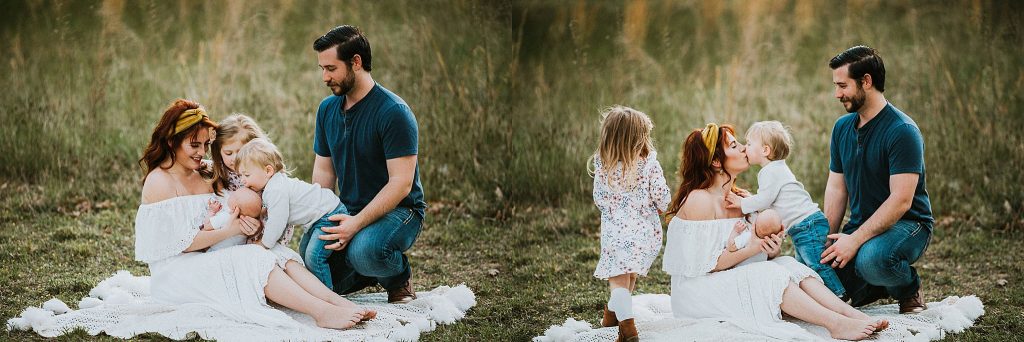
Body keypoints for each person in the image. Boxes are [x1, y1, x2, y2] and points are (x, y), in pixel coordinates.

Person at [135, 99, 371, 329]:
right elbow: (181, 244)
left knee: (278, 253)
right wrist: (234, 230)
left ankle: (336, 301)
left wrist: (253, 225)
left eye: (206, 145)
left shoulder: (205, 170)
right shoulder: (160, 181)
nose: (201, 152)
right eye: (194, 145)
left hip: (209, 256)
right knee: (252, 258)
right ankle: (322, 313)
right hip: (179, 273)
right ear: (171, 142)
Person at [661, 123, 886, 340]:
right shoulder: (699, 200)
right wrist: (754, 248)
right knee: (768, 274)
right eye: (733, 146)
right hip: (699, 292)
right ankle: (835, 325)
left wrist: (770, 250)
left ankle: (852, 314)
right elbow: (710, 264)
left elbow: (755, 255)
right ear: (717, 162)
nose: (743, 148)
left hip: (729, 278)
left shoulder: (745, 200)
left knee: (788, 265)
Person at [311, 25, 427, 303]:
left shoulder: (393, 112)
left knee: (365, 251)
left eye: (331, 68)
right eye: (322, 69)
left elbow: (401, 184)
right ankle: (368, 270)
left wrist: (355, 225)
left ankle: (397, 277)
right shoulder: (327, 109)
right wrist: (318, 218)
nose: (325, 77)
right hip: (348, 209)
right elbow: (324, 172)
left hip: (400, 211)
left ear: (356, 62)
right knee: (313, 263)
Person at [821, 45, 934, 313]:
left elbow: (901, 202)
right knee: (817, 276)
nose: (837, 94)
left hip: (908, 225)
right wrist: (825, 241)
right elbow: (837, 189)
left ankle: (908, 288)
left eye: (842, 86)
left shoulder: (902, 131)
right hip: (863, 226)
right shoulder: (841, 128)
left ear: (867, 82)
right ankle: (875, 285)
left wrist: (854, 240)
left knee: (872, 260)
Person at [722, 120, 846, 298]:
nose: (745, 148)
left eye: (749, 144)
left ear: (765, 150)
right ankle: (818, 297)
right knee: (804, 267)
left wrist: (742, 204)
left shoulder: (769, 172)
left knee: (815, 264)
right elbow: (769, 201)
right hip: (804, 225)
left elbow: (764, 200)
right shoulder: (776, 169)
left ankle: (840, 296)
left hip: (806, 225)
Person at [588, 106, 671, 342]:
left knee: (619, 281)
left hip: (616, 232)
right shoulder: (649, 163)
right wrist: (664, 209)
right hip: (645, 232)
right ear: (638, 138)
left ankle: (628, 329)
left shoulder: (604, 163)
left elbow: (600, 199)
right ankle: (615, 318)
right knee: (628, 278)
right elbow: (662, 196)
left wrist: (616, 210)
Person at [234, 138, 350, 292]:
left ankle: (327, 294)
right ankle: (316, 289)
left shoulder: (275, 190)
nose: (243, 180)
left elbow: (277, 221)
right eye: (241, 176)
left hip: (329, 214)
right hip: (319, 217)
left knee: (314, 257)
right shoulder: (274, 185)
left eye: (246, 175)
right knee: (304, 252)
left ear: (268, 171)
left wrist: (264, 244)